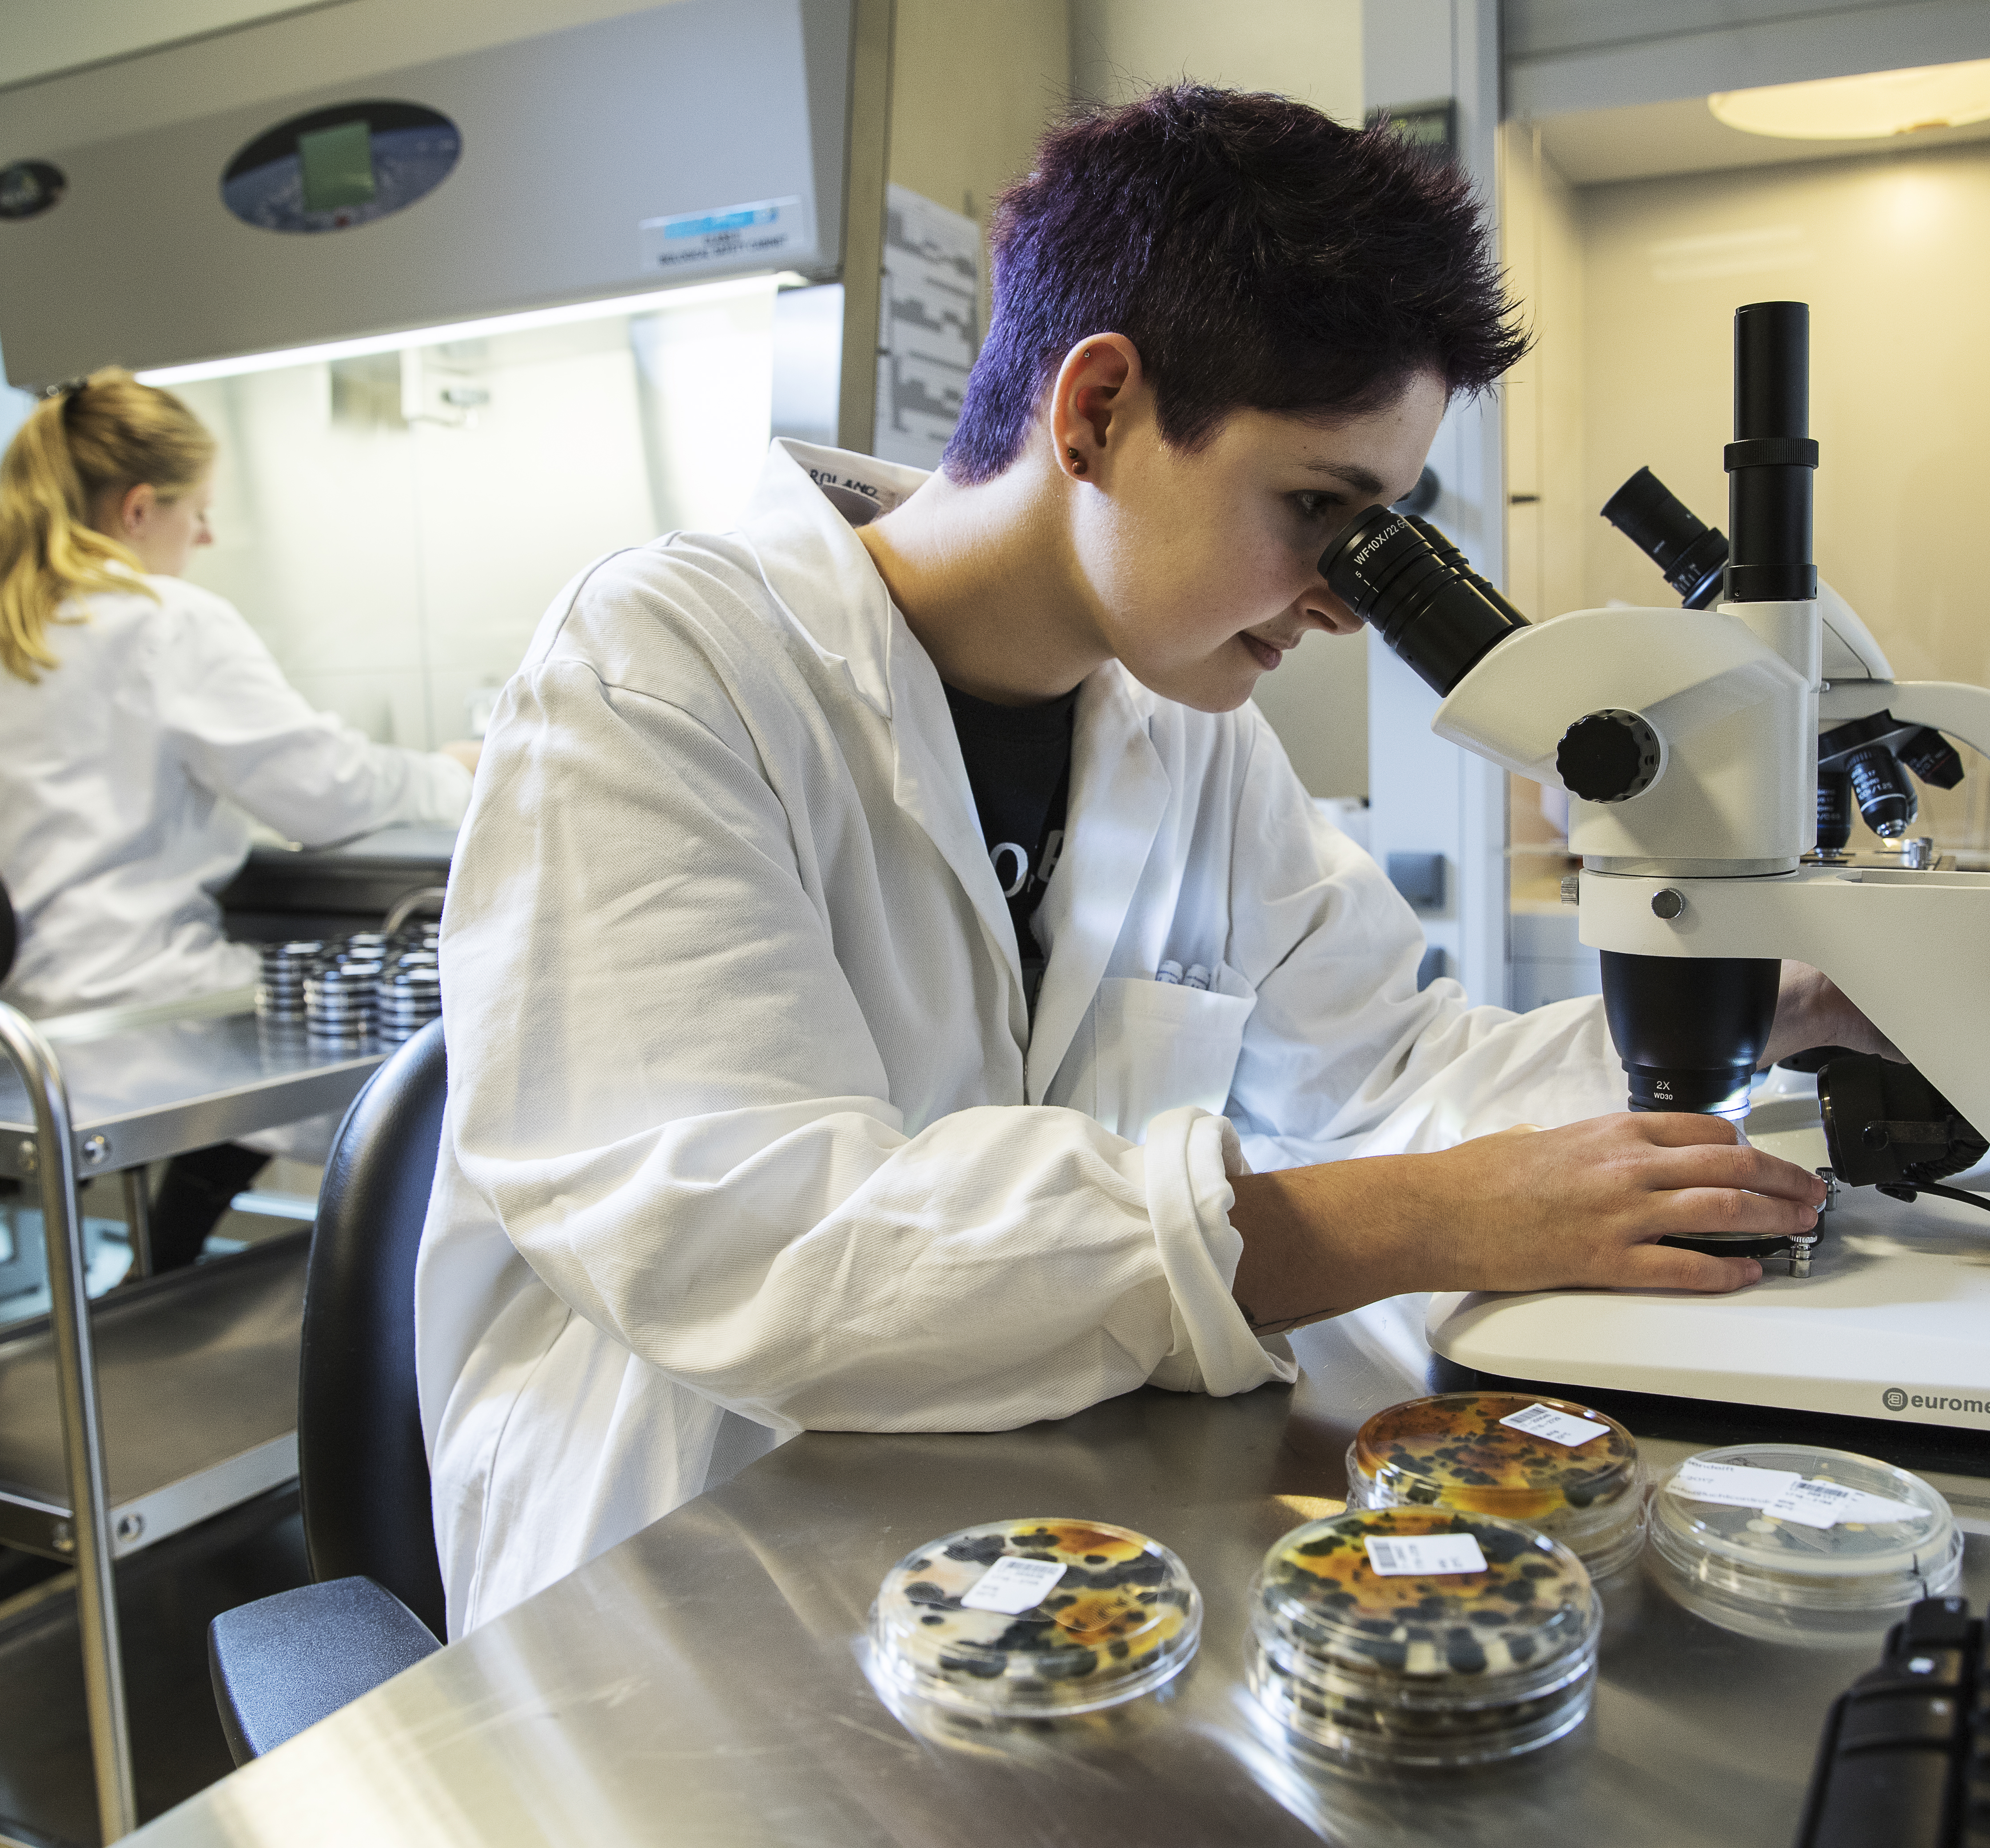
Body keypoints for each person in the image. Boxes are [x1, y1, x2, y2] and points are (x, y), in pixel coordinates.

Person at [419, 88, 1890, 1635]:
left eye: (1382, 533)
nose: (1343, 603)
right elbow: (756, 1235)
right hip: (680, 1575)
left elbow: (1389, 1069)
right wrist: (1415, 1220)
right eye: (1318, 510)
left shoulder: (1190, 733)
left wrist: (1761, 1008)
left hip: (1026, 1555)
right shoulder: (665, 668)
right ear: (1099, 409)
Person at [0, 369, 475, 1269]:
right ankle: (389, 1334)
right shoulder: (161, 618)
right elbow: (326, 793)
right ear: (139, 510)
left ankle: (161, 1269)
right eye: (198, 511)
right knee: (410, 1069)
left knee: (293, 1024)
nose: (208, 535)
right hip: (127, 1008)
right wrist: (451, 772)